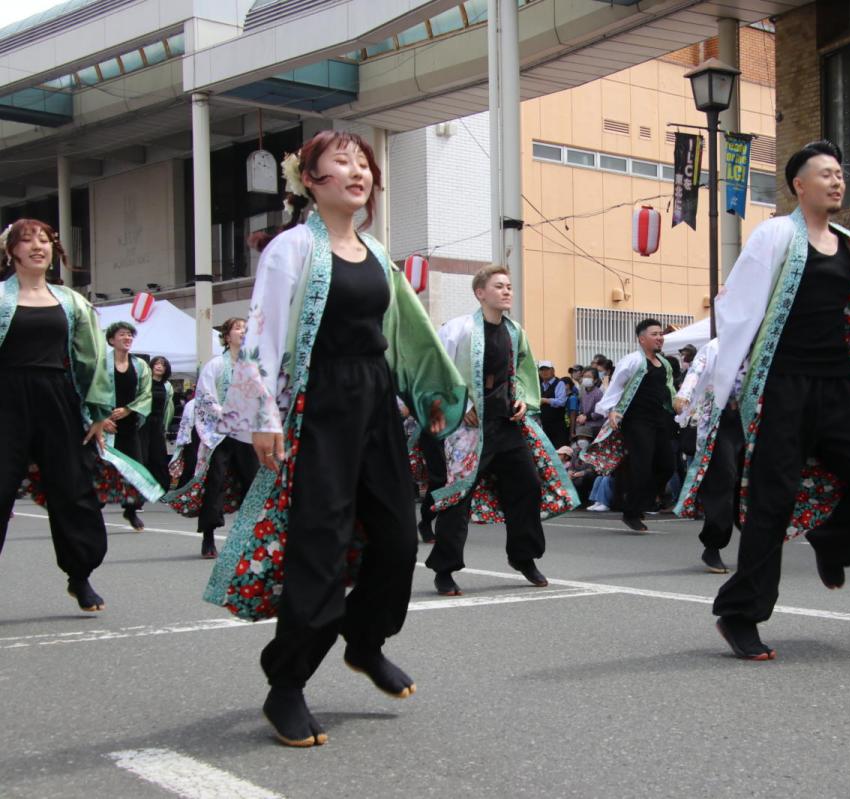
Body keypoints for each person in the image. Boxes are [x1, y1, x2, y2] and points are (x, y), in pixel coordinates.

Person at [201, 130, 467, 747]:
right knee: (320, 547)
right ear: (311, 181)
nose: (358, 171)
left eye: (363, 162)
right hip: (317, 406)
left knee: (400, 538)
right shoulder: (291, 249)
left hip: (374, 401)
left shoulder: (376, 253)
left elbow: (406, 332)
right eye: (340, 162)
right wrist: (264, 415)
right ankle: (286, 686)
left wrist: (426, 392)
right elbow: (263, 333)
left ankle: (365, 641)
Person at [695, 141, 850, 660]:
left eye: (840, 174)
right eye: (825, 174)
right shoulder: (774, 235)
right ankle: (740, 614)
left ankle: (832, 543)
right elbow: (739, 310)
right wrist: (725, 390)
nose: (836, 182)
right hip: (783, 385)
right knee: (771, 502)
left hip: (841, 387)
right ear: (798, 185)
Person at [426, 265, 577, 596]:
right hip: (469, 430)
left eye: (509, 286)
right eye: (498, 286)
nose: (507, 291)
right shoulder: (459, 329)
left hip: (507, 425)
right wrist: (461, 405)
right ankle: (445, 569)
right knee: (458, 497)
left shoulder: (514, 331)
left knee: (528, 485)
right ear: (480, 293)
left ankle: (524, 557)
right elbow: (434, 370)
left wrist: (522, 399)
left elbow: (521, 373)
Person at [0, 219, 115, 612]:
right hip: (6, 399)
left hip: (56, 397)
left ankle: (79, 576)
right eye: (27, 240)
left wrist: (98, 412)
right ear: (11, 251)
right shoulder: (0, 298)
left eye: (44, 240)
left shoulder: (71, 301)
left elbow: (92, 358)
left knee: (71, 488)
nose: (38, 246)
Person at [162, 318, 261, 558]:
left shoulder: (254, 365)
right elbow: (205, 397)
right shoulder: (216, 364)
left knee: (253, 482)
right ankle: (208, 536)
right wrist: (227, 415)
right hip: (220, 434)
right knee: (215, 481)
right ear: (227, 337)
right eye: (238, 328)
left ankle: (253, 538)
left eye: (246, 329)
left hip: (247, 433)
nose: (243, 332)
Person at [584, 319, 678, 533]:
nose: (659, 338)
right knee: (641, 466)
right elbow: (615, 387)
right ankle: (631, 511)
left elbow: (670, 391)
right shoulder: (633, 360)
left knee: (667, 466)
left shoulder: (664, 364)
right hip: (636, 421)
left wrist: (680, 405)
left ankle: (639, 503)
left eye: (660, 334)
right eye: (654, 334)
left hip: (659, 420)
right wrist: (612, 411)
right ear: (641, 339)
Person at [673, 337, 743, 574]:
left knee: (755, 483)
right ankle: (713, 545)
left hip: (755, 420)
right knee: (723, 478)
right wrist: (684, 395)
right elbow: (696, 371)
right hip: (720, 422)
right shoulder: (716, 346)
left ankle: (759, 544)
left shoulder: (763, 340)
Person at [102, 321, 155, 531]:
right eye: (123, 334)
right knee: (103, 468)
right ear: (112, 340)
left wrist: (129, 409)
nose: (127, 338)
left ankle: (131, 510)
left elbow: (146, 393)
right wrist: (101, 420)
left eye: (130, 335)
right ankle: (94, 510)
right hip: (105, 425)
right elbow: (87, 393)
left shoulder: (140, 365)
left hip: (129, 425)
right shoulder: (100, 364)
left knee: (134, 469)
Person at [140, 355, 175, 491]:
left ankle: (161, 488)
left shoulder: (168, 386)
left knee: (159, 456)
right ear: (152, 366)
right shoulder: (144, 383)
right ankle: (143, 488)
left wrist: (165, 426)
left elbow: (168, 408)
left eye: (163, 365)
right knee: (143, 455)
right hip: (143, 423)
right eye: (157, 364)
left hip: (158, 424)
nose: (160, 366)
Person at [538, 360, 570, 448]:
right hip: (545, 425)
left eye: (547, 369)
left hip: (558, 426)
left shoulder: (559, 383)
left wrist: (545, 400)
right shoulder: (540, 385)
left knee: (559, 451)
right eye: (542, 370)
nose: (544, 372)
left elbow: (561, 402)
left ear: (553, 370)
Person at [574, 366, 605, 439]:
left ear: (595, 380)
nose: (585, 379)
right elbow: (582, 409)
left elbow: (600, 412)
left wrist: (586, 417)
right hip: (586, 426)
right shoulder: (584, 392)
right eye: (584, 376)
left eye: (588, 377)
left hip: (596, 427)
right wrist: (580, 416)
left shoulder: (598, 393)